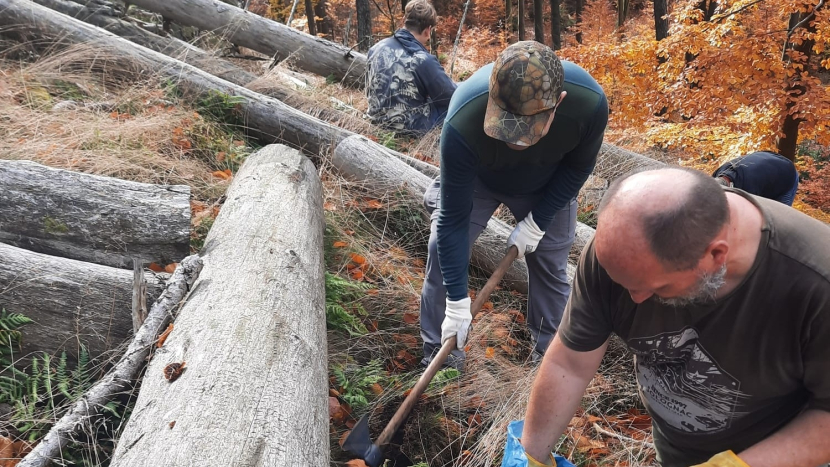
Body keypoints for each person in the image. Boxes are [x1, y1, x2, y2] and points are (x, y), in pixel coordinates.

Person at [516, 167, 830, 467]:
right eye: (624, 284)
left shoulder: (816, 284)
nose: (634, 298)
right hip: (677, 448)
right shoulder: (623, 251)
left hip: (782, 455)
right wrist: (530, 455)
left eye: (654, 288)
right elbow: (569, 364)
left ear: (715, 256)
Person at [419, 41, 608, 368]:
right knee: (443, 249)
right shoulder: (464, 116)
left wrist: (539, 220)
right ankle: (441, 353)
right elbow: (452, 221)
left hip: (549, 185)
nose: (516, 140)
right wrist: (456, 302)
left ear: (557, 104)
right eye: (507, 125)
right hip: (479, 179)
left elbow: (578, 168)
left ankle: (550, 360)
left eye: (528, 128)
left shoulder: (588, 105)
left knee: (551, 265)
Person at [365, 0, 456, 136]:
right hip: (409, 128)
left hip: (376, 122)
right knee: (458, 107)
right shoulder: (422, 59)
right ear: (428, 31)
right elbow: (450, 97)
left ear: (404, 21)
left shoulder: (375, 48)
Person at [712, 151, 799, 205]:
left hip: (786, 174)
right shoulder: (717, 173)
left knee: (778, 220)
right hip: (767, 159)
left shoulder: (749, 187)